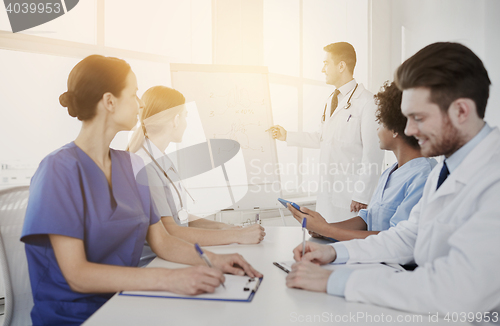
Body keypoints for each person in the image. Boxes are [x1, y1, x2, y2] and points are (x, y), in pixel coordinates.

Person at [21, 55, 262, 326]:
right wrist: (170, 279)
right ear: (109, 101)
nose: (141, 103)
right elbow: (77, 274)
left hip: (128, 300)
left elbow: (163, 241)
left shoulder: (132, 165)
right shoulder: (58, 169)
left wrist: (214, 260)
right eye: (134, 94)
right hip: (75, 316)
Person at [285, 42, 500, 315]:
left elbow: (460, 290)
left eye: (418, 118)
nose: (408, 129)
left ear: (460, 111)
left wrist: (337, 280)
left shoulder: (493, 178)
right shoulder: (447, 170)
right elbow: (408, 237)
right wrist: (336, 253)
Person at [287, 81, 436, 241]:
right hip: (369, 257)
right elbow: (367, 219)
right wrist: (323, 228)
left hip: (394, 264)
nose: (377, 129)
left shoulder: (425, 176)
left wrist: (328, 230)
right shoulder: (390, 173)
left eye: (380, 123)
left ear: (394, 130)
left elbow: (398, 239)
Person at [128, 86, 266, 246]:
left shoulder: (160, 157)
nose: (186, 124)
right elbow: (170, 231)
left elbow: (180, 217)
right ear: (176, 119)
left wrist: (225, 227)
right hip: (155, 259)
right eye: (185, 116)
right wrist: (236, 235)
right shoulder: (145, 165)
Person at [267, 42, 383, 222]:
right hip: (328, 195)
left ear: (341, 65)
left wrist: (362, 195)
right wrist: (287, 136)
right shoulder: (331, 100)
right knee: (324, 242)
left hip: (351, 199)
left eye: (326, 63)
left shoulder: (368, 103)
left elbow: (373, 154)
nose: (322, 69)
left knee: (345, 244)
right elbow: (322, 138)